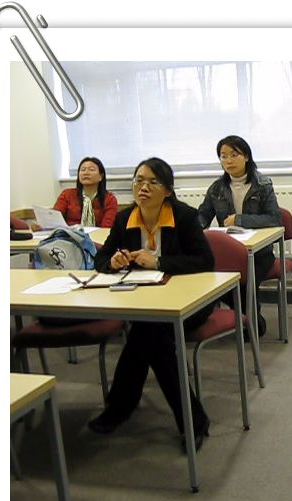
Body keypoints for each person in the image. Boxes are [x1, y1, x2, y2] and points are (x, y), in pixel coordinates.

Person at [88, 157, 215, 451]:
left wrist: (159, 262)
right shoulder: (125, 219)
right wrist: (113, 262)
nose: (143, 187)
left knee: (148, 334)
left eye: (152, 182)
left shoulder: (184, 216)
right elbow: (101, 258)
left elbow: (205, 261)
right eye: (138, 180)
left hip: (191, 302)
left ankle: (119, 408)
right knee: (152, 335)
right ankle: (192, 420)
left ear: (168, 190)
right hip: (147, 302)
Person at [198, 135, 281, 337]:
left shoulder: (262, 184)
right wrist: (192, 228)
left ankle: (250, 323)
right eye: (223, 156)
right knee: (205, 275)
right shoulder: (216, 188)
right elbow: (203, 215)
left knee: (244, 280)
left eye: (234, 155)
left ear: (246, 157)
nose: (228, 161)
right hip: (228, 253)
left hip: (259, 253)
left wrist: (240, 220)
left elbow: (274, 218)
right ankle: (250, 320)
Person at [52, 156, 118, 227]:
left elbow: (107, 227)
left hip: (99, 233)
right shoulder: (67, 195)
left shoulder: (110, 199)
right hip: (70, 233)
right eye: (83, 170)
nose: (86, 173)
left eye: (91, 170)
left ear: (101, 176)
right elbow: (54, 219)